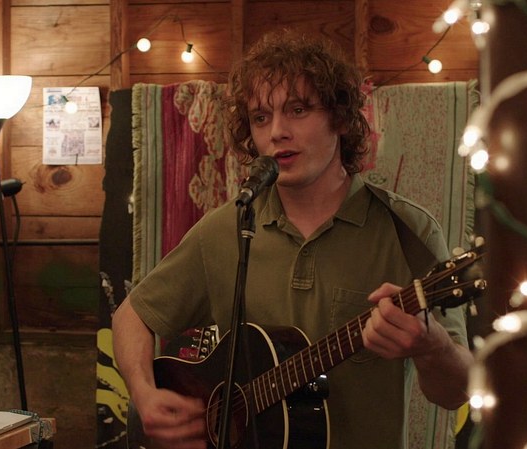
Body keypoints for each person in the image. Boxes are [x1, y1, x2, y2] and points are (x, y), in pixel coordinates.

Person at [112, 30, 473, 449]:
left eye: (297, 110)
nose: (277, 132)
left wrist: (432, 346)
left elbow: (456, 392)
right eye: (260, 117)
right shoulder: (228, 228)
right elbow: (131, 317)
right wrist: (144, 395)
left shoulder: (409, 231)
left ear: (341, 118)